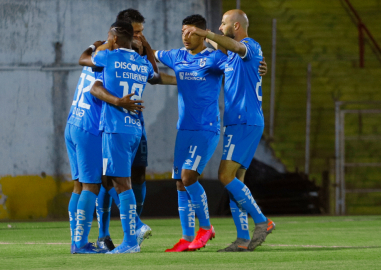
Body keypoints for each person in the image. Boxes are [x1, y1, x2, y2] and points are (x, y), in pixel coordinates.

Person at [182, 9, 275, 252]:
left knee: (225, 176)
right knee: (236, 182)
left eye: (223, 23)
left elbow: (227, 43)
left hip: (245, 121)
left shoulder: (249, 46)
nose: (220, 26)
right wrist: (202, 37)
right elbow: (218, 44)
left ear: (235, 26)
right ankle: (243, 239)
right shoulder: (232, 56)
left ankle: (262, 221)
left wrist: (204, 32)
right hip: (238, 121)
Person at [154, 14, 227, 252]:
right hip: (183, 129)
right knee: (179, 183)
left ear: (202, 34)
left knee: (188, 177)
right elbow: (152, 53)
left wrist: (258, 66)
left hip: (206, 129)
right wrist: (138, 41)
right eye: (183, 32)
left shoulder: (214, 58)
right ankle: (186, 237)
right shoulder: (178, 56)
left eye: (191, 32)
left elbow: (238, 61)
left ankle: (205, 228)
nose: (185, 37)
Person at [66, 41, 144, 254]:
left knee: (79, 186)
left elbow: (85, 56)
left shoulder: (90, 64)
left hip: (73, 123)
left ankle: (79, 239)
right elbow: (97, 90)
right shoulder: (108, 68)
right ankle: (81, 243)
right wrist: (119, 101)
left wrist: (92, 46)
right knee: (94, 185)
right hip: (89, 129)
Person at [91, 20, 161, 254]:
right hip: (134, 129)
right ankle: (132, 233)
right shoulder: (142, 64)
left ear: (114, 39)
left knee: (122, 184)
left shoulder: (108, 57)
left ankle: (131, 240)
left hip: (115, 127)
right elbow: (155, 72)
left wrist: (99, 45)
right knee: (113, 180)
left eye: (110, 37)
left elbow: (88, 57)